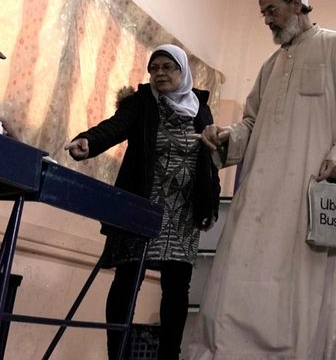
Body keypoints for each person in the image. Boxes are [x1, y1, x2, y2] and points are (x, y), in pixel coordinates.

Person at [187, 0, 336, 360]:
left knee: (304, 288)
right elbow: (251, 123)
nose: (267, 20)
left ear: (297, 4)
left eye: (272, 10)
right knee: (239, 276)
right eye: (263, 13)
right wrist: (228, 137)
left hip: (311, 191)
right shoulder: (270, 65)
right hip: (261, 195)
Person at [65, 44, 220, 360]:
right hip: (142, 203)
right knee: (127, 278)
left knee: (176, 288)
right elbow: (115, 126)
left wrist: (211, 202)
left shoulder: (200, 110)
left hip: (183, 212)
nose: (160, 73)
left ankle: (169, 356)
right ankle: (117, 353)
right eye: (154, 68)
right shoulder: (142, 102)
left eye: (167, 67)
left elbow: (210, 158)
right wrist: (89, 140)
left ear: (182, 71)